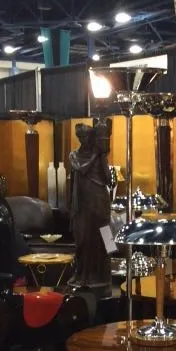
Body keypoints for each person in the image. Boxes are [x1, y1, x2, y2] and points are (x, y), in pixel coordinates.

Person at [68, 121, 112, 290]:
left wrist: (103, 157)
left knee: (104, 238)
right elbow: (82, 169)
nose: (84, 139)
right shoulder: (74, 155)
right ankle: (81, 274)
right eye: (81, 136)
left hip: (99, 199)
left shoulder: (99, 156)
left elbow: (108, 179)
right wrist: (95, 155)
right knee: (83, 240)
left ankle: (103, 275)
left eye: (87, 136)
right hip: (83, 203)